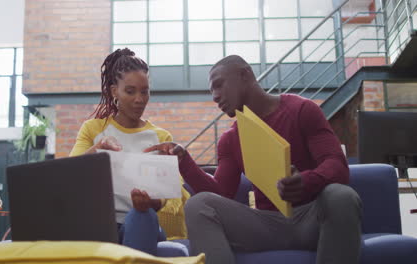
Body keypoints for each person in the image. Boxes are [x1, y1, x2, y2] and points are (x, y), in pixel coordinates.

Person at [145, 55, 363, 264]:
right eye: (212, 90)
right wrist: (184, 161)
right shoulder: (230, 139)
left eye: (219, 85)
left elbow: (337, 166)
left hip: (312, 218)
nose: (215, 96)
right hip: (266, 225)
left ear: (245, 75)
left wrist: (306, 181)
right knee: (198, 205)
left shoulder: (302, 110)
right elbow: (221, 193)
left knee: (341, 195)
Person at [70, 48, 189, 255]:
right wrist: (97, 149)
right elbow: (69, 174)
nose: (139, 99)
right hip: (100, 223)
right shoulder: (93, 129)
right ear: (115, 91)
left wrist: (151, 203)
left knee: (142, 216)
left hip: (143, 222)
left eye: (144, 91)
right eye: (130, 91)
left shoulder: (161, 137)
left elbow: (168, 195)